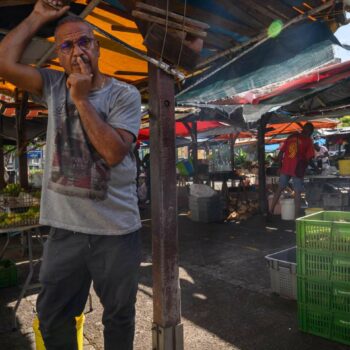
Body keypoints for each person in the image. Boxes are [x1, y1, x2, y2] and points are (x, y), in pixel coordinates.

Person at [0, 1, 142, 349]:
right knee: (52, 316)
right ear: (57, 57)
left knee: (119, 316)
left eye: (84, 42)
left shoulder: (125, 94)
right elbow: (4, 62)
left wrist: (80, 100)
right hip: (65, 231)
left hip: (116, 231)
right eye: (66, 45)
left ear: (97, 47)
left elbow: (112, 153)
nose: (77, 51)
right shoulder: (52, 85)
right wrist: (36, 17)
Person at [269, 123, 315, 217]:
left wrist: (279, 167)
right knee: (297, 192)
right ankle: (296, 217)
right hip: (297, 169)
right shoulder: (307, 140)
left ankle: (271, 210)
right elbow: (309, 158)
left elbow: (281, 152)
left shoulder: (291, 137)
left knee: (279, 189)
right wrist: (316, 168)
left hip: (285, 168)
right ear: (310, 131)